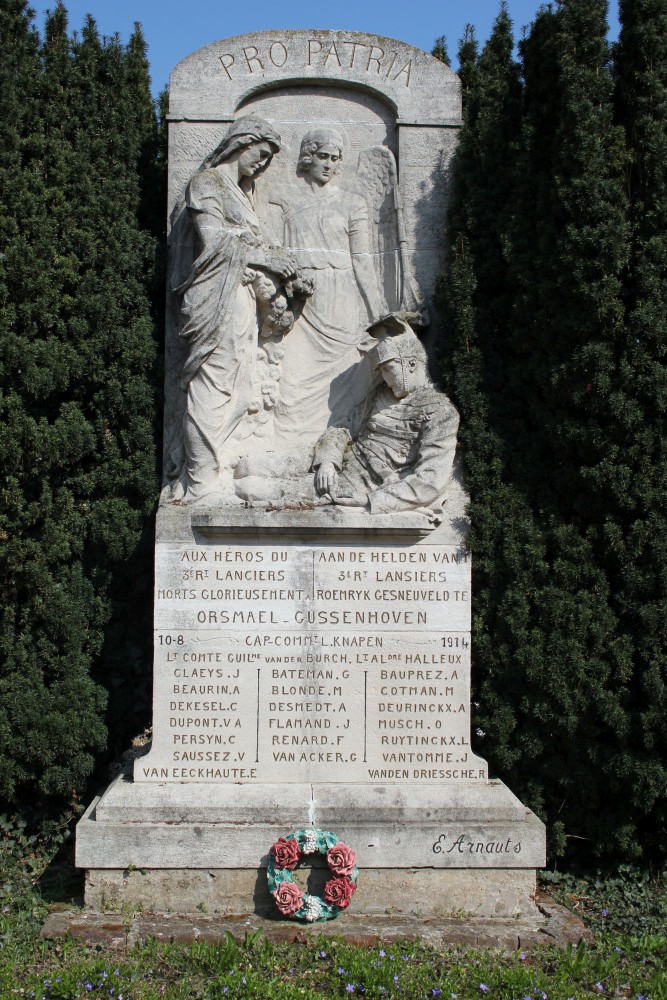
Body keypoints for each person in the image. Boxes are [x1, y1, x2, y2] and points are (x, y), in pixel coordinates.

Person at [167, 116, 298, 503]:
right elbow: (213, 242)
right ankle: (202, 485)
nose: (260, 164)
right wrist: (266, 256)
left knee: (240, 391)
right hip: (212, 296)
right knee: (213, 385)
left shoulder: (244, 195)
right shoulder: (206, 184)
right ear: (240, 143)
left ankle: (213, 473)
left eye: (267, 161)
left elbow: (250, 248)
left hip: (240, 299)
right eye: (259, 154)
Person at [272, 128, 385, 445]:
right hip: (300, 303)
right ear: (308, 157)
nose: (329, 164)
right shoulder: (285, 202)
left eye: (335, 159)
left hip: (341, 300)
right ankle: (288, 446)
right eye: (323, 156)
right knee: (292, 379)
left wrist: (379, 315)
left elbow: (362, 261)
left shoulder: (353, 204)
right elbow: (274, 251)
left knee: (344, 377)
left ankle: (338, 443)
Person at [313, 323, 460, 514]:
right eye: (382, 371)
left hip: (362, 485)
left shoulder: (441, 412)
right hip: (337, 468)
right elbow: (344, 428)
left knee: (268, 488)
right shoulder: (381, 394)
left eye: (389, 369)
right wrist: (328, 461)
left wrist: (370, 500)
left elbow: (430, 481)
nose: (386, 379)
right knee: (272, 466)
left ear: (412, 365)